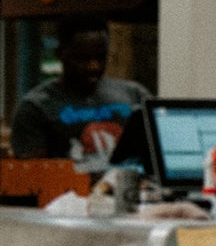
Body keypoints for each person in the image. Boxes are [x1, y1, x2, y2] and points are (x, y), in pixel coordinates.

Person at [10, 28, 152, 173]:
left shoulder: (134, 94)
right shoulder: (35, 107)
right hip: (68, 191)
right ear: (60, 54)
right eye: (83, 59)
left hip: (129, 190)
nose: (94, 66)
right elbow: (32, 176)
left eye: (101, 58)